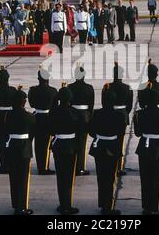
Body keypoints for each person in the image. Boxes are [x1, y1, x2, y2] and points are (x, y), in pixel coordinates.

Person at [89, 87, 126, 215]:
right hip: (112, 146)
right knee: (110, 178)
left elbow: (91, 131)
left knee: (101, 177)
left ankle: (103, 204)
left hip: (99, 147)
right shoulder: (119, 115)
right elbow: (121, 132)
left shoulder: (97, 113)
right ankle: (107, 207)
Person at [134, 89, 159, 215]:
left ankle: (146, 207)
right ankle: (154, 207)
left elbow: (138, 133)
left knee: (145, 178)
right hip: (158, 147)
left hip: (144, 146)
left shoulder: (139, 114)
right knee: (155, 178)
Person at [4, 87, 35, 215]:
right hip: (24, 148)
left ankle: (15, 203)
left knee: (13, 177)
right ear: (23, 102)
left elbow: (5, 131)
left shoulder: (8, 115)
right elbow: (32, 133)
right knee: (23, 179)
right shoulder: (29, 116)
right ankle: (21, 207)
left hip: (12, 147)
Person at [49, 85, 79, 215]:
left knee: (60, 177)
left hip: (58, 145)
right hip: (71, 146)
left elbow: (50, 130)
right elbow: (80, 130)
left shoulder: (54, 111)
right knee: (68, 177)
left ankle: (63, 204)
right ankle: (68, 205)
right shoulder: (74, 112)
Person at [103, 62, 133, 176]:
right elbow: (129, 106)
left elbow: (104, 102)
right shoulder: (127, 88)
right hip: (122, 115)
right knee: (120, 142)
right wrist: (124, 114)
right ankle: (118, 167)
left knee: (109, 139)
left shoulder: (107, 87)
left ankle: (109, 163)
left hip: (109, 114)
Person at [28, 67, 58, 175]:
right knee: (46, 144)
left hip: (36, 117)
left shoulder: (33, 90)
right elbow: (55, 107)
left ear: (38, 78)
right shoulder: (53, 91)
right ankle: (44, 168)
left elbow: (31, 104)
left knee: (38, 144)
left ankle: (40, 165)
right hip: (47, 118)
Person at [0, 66, 17, 174]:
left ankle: (3, 165)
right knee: (9, 140)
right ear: (8, 78)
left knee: (0, 141)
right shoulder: (13, 90)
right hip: (10, 116)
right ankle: (10, 164)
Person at [68, 65, 95, 176]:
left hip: (73, 115)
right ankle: (80, 167)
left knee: (73, 141)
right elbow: (91, 105)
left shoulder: (70, 87)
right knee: (82, 143)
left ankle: (73, 166)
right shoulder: (89, 87)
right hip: (84, 117)